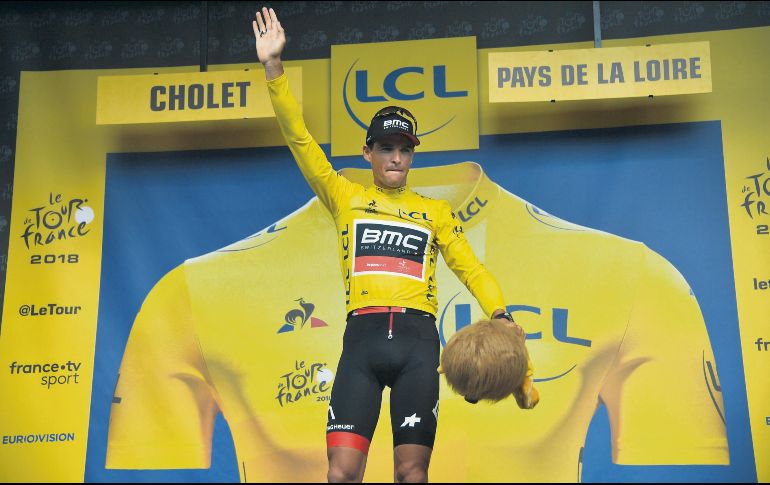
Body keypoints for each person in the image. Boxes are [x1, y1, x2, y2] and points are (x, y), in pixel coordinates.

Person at [253, 7, 527, 483]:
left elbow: (472, 270)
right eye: (385, 148)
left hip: (420, 347)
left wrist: (501, 315)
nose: (396, 157)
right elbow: (299, 139)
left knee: (412, 473)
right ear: (368, 152)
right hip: (361, 341)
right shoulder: (345, 194)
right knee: (340, 474)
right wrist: (273, 69)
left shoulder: (436, 212)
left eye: (404, 149)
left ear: (413, 153)